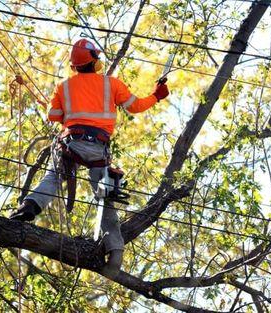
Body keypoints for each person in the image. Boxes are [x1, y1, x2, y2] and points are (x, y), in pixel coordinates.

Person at [9, 38, 169, 276]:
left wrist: (62, 111)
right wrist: (157, 95)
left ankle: (28, 208)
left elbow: (53, 116)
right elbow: (135, 106)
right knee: (103, 195)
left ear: (75, 65)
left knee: (53, 178)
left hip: (70, 143)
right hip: (98, 148)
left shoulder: (64, 86)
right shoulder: (111, 84)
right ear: (95, 61)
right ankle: (115, 251)